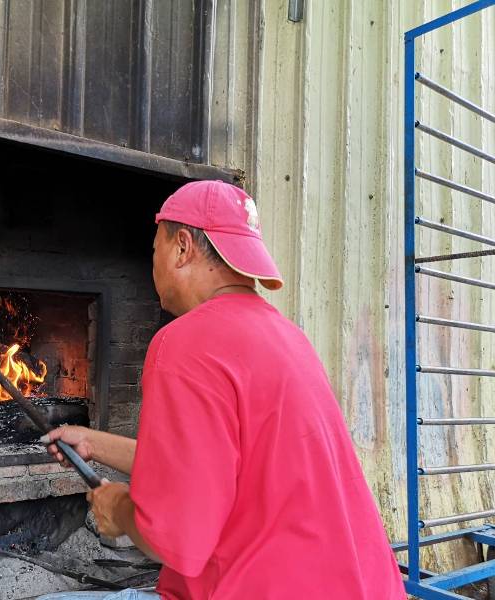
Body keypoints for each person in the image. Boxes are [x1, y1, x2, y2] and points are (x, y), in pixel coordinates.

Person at [37, 181, 405, 599]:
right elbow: (210, 469)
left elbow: (179, 541)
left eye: (153, 249)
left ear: (182, 247)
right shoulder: (286, 336)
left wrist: (119, 509)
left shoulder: (185, 343)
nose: (152, 261)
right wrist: (92, 442)